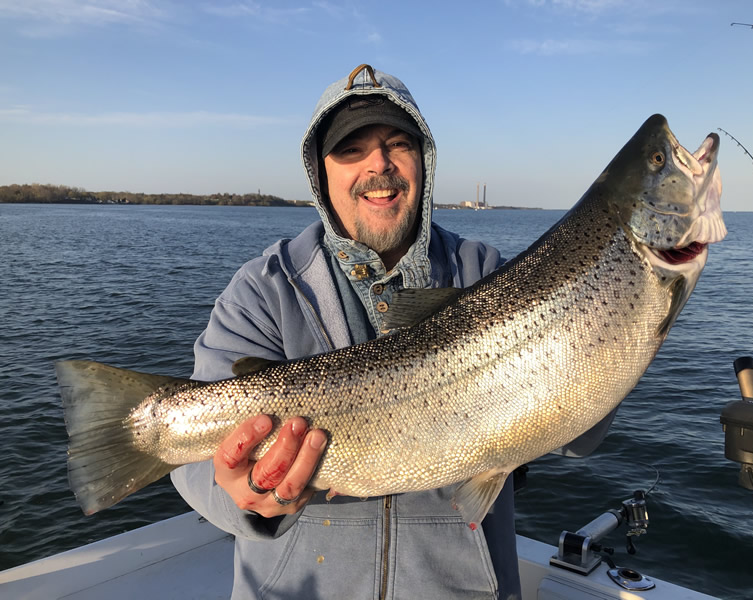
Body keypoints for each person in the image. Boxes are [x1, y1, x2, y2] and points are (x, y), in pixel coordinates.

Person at [171, 63, 614, 600]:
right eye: (351, 149)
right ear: (320, 172)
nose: (378, 164)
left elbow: (578, 436)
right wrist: (237, 491)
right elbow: (188, 459)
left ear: (424, 163)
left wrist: (621, 319)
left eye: (397, 144)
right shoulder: (264, 289)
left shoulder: (489, 275)